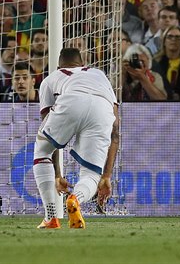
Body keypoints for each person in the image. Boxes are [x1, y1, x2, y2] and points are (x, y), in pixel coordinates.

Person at [33, 48, 119, 229]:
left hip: (71, 100)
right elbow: (115, 131)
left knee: (42, 150)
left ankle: (51, 217)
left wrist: (57, 174)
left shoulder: (50, 79)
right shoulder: (99, 75)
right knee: (91, 175)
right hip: (102, 110)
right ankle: (76, 199)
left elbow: (49, 132)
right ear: (82, 64)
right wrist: (107, 175)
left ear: (58, 66)